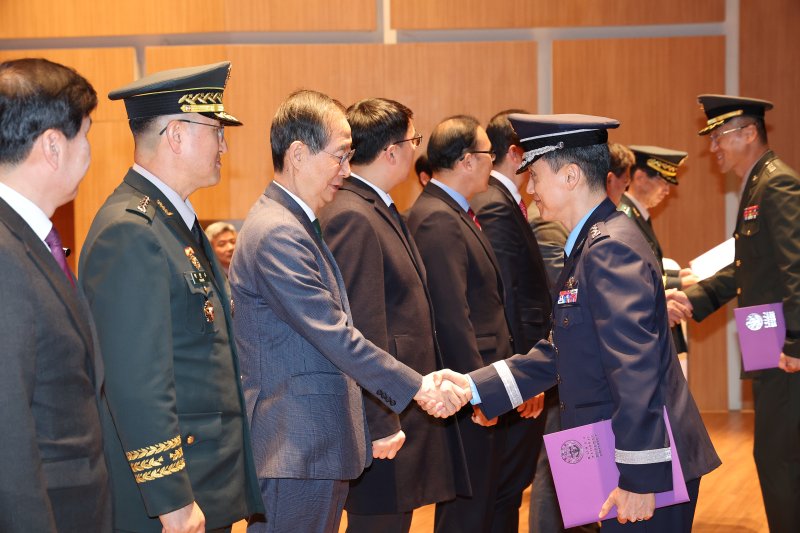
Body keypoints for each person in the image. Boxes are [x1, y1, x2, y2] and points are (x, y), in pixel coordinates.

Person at [228, 89, 468, 533]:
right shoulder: (277, 232)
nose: (345, 170)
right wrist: (417, 386)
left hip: (313, 444)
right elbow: (334, 333)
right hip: (295, 445)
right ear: (298, 154)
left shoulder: (296, 223)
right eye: (339, 157)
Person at [466, 113, 720, 532]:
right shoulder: (595, 241)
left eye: (535, 176)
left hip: (647, 465)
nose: (530, 188)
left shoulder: (608, 250)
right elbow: (562, 346)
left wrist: (640, 478)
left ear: (569, 176)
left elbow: (634, 368)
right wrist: (477, 387)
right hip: (623, 453)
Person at [79, 61, 263, 532]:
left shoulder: (173, 220)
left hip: (207, 478)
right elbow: (136, 381)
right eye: (215, 129)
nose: (224, 143)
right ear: (176, 135)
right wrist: (171, 499)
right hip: (171, 500)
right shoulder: (131, 230)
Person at [319, 97, 469, 533]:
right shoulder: (353, 214)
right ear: (391, 151)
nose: (412, 149)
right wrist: (379, 421)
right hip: (384, 420)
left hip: (399, 407)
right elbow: (358, 329)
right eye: (412, 140)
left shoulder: (376, 206)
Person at [668, 94, 800, 533]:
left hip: (783, 347)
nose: (714, 148)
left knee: (780, 457)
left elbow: (795, 267)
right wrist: (694, 300)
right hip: (767, 339)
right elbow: (746, 267)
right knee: (775, 453)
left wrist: (797, 341)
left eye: (721, 136)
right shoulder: (757, 187)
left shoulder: (776, 184)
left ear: (748, 133)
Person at [0, 57, 111, 533]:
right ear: (52, 145)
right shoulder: (5, 253)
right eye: (85, 134)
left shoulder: (30, 237)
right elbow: (9, 431)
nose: (88, 150)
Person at [407, 115, 514, 532]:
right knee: (467, 513)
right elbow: (452, 317)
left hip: (478, 383)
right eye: (488, 154)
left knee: (484, 503)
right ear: (467, 160)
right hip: (467, 391)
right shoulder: (437, 216)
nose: (493, 163)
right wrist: (478, 392)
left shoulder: (453, 210)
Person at [470, 109, 550, 533]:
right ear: (517, 153)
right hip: (517, 369)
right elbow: (508, 298)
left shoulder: (501, 202)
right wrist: (524, 378)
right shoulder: (495, 205)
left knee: (509, 484)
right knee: (505, 487)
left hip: (520, 367)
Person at [618, 145, 692, 290]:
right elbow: (629, 272)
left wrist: (676, 276)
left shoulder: (637, 213)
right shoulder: (624, 216)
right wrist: (679, 283)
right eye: (663, 182)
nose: (667, 191)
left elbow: (646, 264)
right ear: (640, 178)